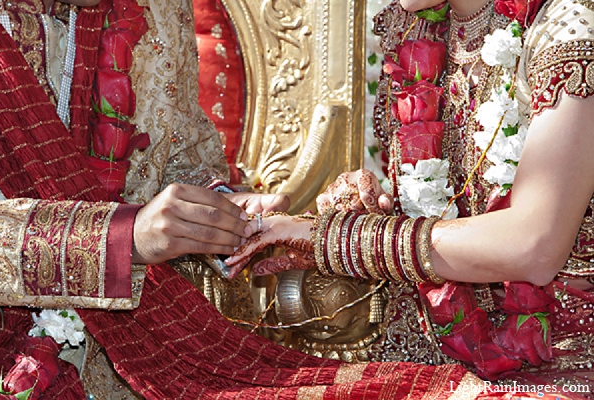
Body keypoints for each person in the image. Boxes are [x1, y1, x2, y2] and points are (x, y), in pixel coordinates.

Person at [0, 0, 512, 398]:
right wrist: (125, 237)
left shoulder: (155, 9)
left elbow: (184, 155)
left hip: (135, 356)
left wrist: (227, 210)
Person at [227, 0, 594, 396]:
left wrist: (338, 239)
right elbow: (448, 207)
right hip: (438, 354)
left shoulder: (568, 29)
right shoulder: (421, 31)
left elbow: (534, 246)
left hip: (565, 364)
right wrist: (372, 205)